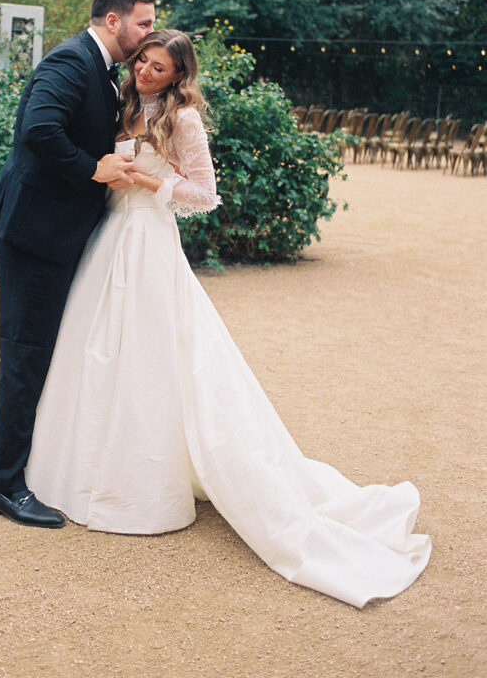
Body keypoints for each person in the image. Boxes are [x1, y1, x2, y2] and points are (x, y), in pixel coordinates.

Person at [26, 29, 432, 607]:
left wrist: (143, 179)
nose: (145, 70)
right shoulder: (119, 99)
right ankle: (80, 470)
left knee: (151, 356)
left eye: (158, 67)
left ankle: (143, 482)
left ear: (177, 75)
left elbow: (203, 193)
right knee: (94, 348)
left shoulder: (183, 119)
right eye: (143, 59)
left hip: (149, 238)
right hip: (109, 237)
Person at [0, 0, 156, 526]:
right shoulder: (69, 61)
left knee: (41, 350)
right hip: (35, 231)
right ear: (113, 21)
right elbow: (37, 129)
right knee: (26, 352)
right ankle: (4, 487)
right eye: (143, 24)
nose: (150, 33)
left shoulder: (98, 66)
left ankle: (26, 465)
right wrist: (92, 167)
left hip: (55, 229)